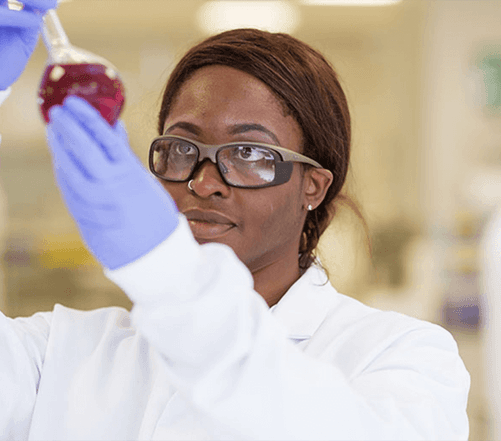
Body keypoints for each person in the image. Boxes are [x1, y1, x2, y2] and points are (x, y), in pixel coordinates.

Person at [0, 2, 470, 440]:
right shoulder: (60, 353)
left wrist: (165, 270)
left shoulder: (401, 357)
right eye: (182, 148)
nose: (204, 183)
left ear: (314, 185)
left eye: (248, 153)